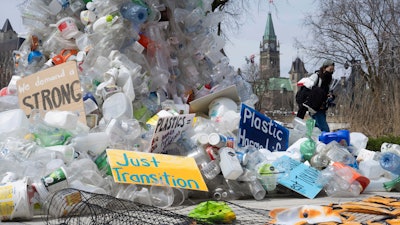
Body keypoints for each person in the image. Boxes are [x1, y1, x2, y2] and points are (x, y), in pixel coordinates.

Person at [296, 59, 335, 132]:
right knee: (324, 130)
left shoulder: (327, 81)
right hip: (315, 108)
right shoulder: (316, 77)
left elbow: (324, 94)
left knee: (316, 130)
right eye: (330, 69)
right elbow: (307, 89)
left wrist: (330, 97)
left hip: (322, 108)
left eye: (333, 70)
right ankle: (324, 142)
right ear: (324, 68)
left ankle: (314, 141)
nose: (331, 72)